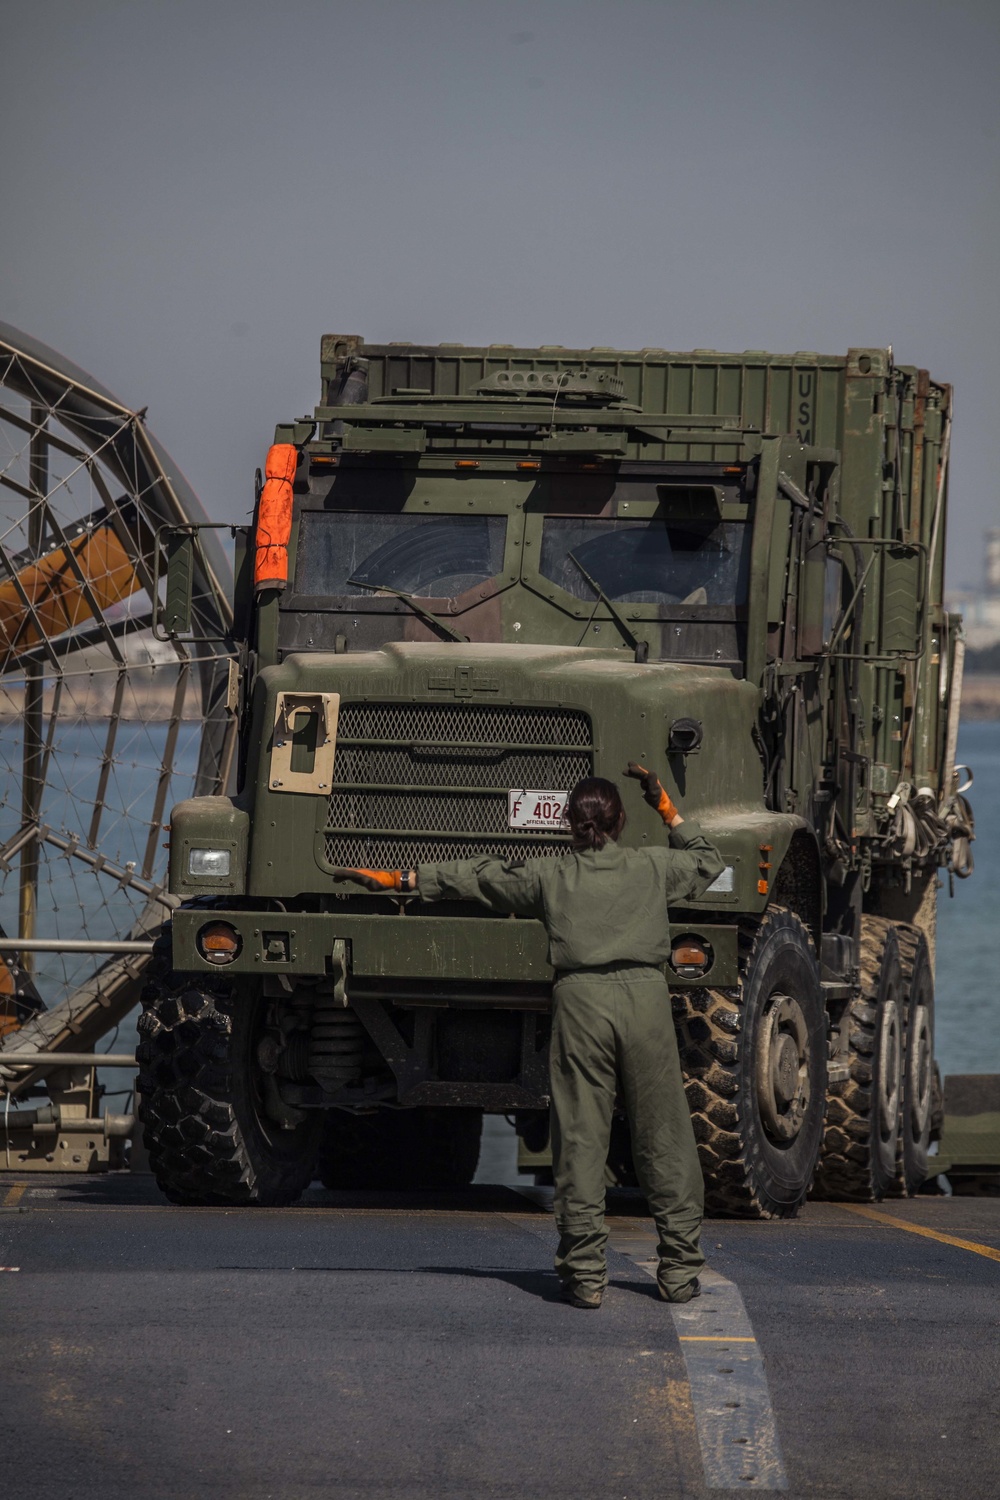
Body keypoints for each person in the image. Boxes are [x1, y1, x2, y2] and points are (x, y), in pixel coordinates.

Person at [334, 764, 725, 1311]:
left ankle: (587, 1275)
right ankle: (680, 1271)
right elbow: (710, 860)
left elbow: (481, 877)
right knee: (663, 1135)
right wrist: (666, 805)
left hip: (580, 1003)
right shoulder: (652, 867)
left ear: (570, 825)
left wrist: (405, 879)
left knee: (582, 1140)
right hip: (645, 1003)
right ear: (619, 822)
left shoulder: (551, 875)